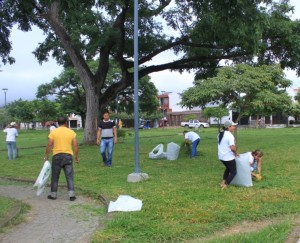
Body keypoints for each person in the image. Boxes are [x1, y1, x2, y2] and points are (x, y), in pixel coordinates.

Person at [45, 116, 79, 201]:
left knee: (55, 176)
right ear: (66, 123)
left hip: (57, 156)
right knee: (69, 176)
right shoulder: (71, 132)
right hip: (68, 156)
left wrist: (46, 156)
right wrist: (77, 157)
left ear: (57, 123)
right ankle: (71, 195)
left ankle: (53, 195)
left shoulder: (53, 132)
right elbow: (75, 145)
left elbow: (49, 144)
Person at [218, 120, 238, 189]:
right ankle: (225, 185)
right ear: (229, 127)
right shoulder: (230, 136)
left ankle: (223, 182)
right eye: (233, 126)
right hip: (228, 157)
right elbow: (232, 148)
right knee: (233, 172)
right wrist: (236, 153)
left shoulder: (220, 134)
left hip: (221, 156)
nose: (234, 127)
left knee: (228, 168)